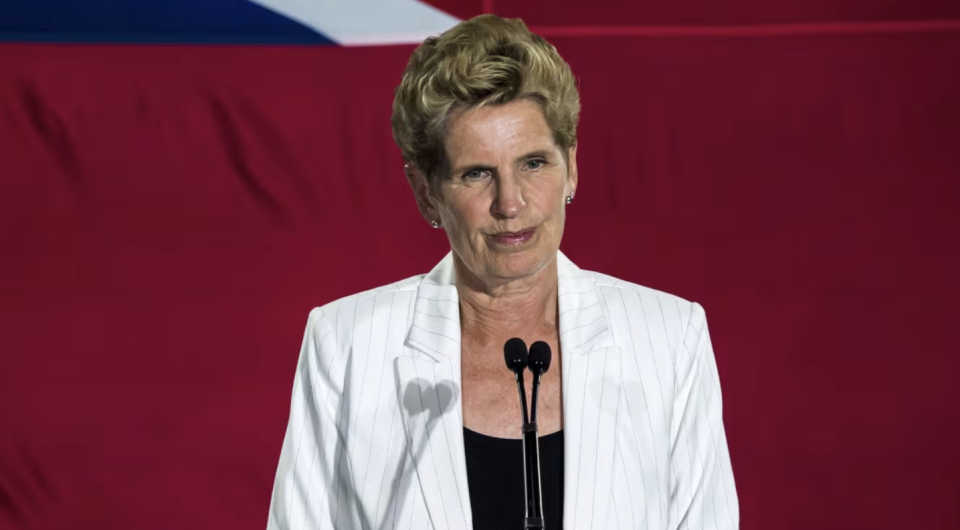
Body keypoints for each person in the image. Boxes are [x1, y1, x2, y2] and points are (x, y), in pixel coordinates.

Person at [266, 14, 738, 530]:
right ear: (427, 191)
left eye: (534, 163)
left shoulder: (669, 338)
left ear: (571, 166)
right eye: (476, 174)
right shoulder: (346, 345)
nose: (510, 203)